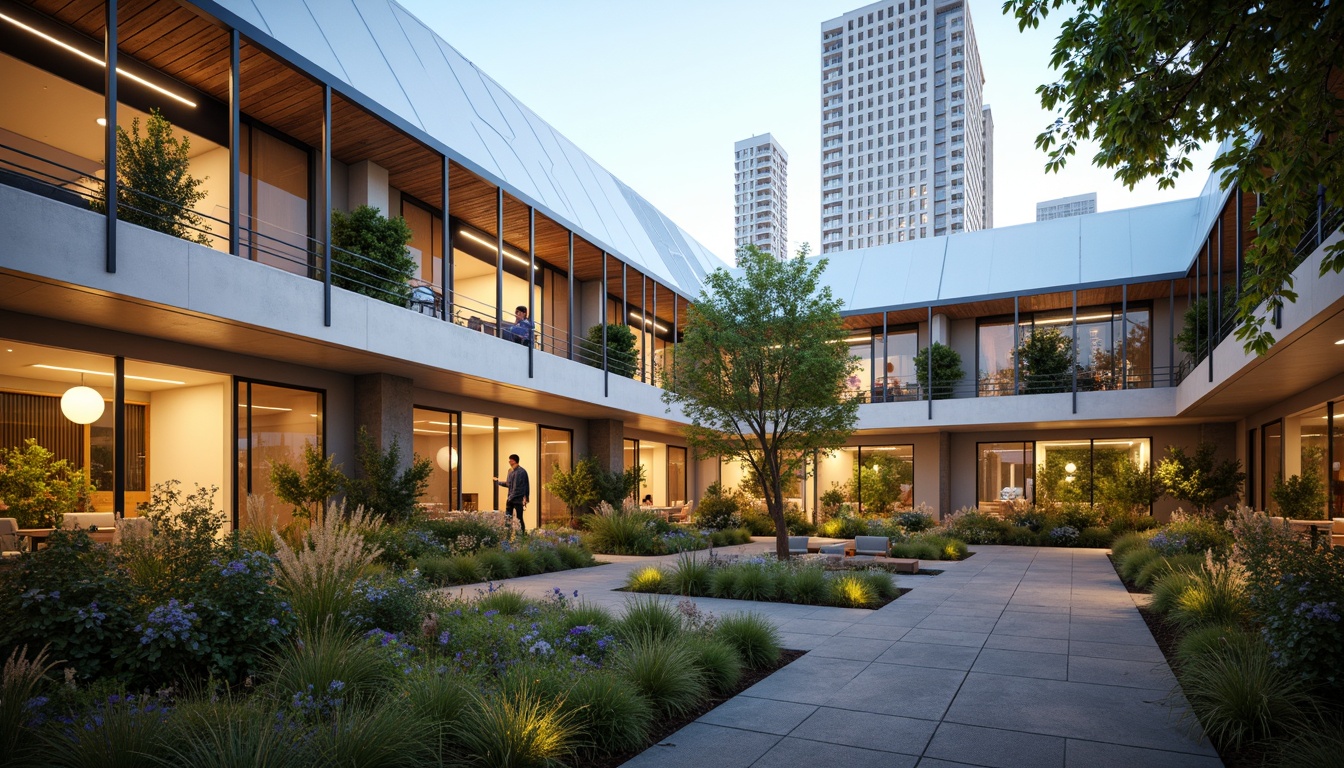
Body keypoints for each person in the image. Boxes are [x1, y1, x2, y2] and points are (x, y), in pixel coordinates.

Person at [493, 454, 529, 533]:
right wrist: (498, 482)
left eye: (510, 460)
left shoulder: (521, 472)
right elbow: (508, 484)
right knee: (508, 519)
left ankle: (521, 536)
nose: (509, 461)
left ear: (514, 461)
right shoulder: (510, 471)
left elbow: (519, 487)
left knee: (519, 519)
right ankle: (508, 536)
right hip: (511, 499)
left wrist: (524, 498)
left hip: (518, 499)